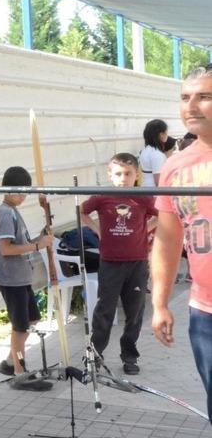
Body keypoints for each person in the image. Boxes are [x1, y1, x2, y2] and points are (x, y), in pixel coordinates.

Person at [151, 64, 212, 422]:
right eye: (185, 97)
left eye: (205, 97)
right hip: (205, 312)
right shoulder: (175, 166)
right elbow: (167, 239)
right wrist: (159, 303)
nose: (191, 106)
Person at [80, 153, 157, 375]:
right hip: (110, 263)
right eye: (118, 174)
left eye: (128, 174)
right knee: (104, 309)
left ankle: (129, 356)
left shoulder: (143, 198)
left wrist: (144, 230)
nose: (123, 178)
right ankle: (95, 354)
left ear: (136, 175)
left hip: (137, 263)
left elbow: (162, 215)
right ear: (110, 175)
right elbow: (82, 211)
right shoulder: (103, 197)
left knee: (135, 312)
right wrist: (98, 230)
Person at [0, 166, 54, 390]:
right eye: (20, 191)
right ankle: (19, 372)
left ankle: (10, 362)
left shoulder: (13, 211)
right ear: (7, 189)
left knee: (31, 320)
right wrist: (38, 245)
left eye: (25, 192)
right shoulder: (5, 213)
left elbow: (21, 245)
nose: (23, 196)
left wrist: (41, 237)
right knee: (20, 327)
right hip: (11, 278)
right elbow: (6, 249)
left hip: (21, 277)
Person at [138, 119, 170, 186]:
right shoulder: (157, 154)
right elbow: (159, 181)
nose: (167, 135)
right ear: (161, 134)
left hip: (145, 187)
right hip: (153, 191)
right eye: (166, 132)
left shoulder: (146, 150)